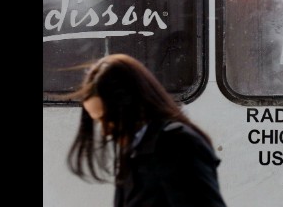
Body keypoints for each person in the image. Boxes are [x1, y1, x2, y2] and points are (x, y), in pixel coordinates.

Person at [63, 53, 227, 207]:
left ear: (129, 105)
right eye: (97, 121)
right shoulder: (136, 150)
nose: (105, 131)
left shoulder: (177, 145)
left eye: (108, 119)